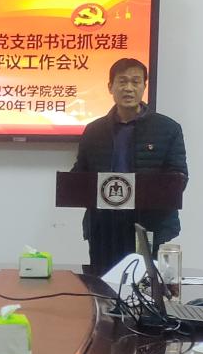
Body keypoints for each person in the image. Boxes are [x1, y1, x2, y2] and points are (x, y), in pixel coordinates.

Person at [72, 57, 188, 273]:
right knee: (103, 284)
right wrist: (72, 184)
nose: (128, 88)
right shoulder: (93, 130)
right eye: (122, 81)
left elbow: (179, 177)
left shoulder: (168, 128)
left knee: (145, 285)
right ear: (110, 87)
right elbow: (81, 174)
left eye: (135, 82)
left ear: (144, 86)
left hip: (150, 226)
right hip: (104, 227)